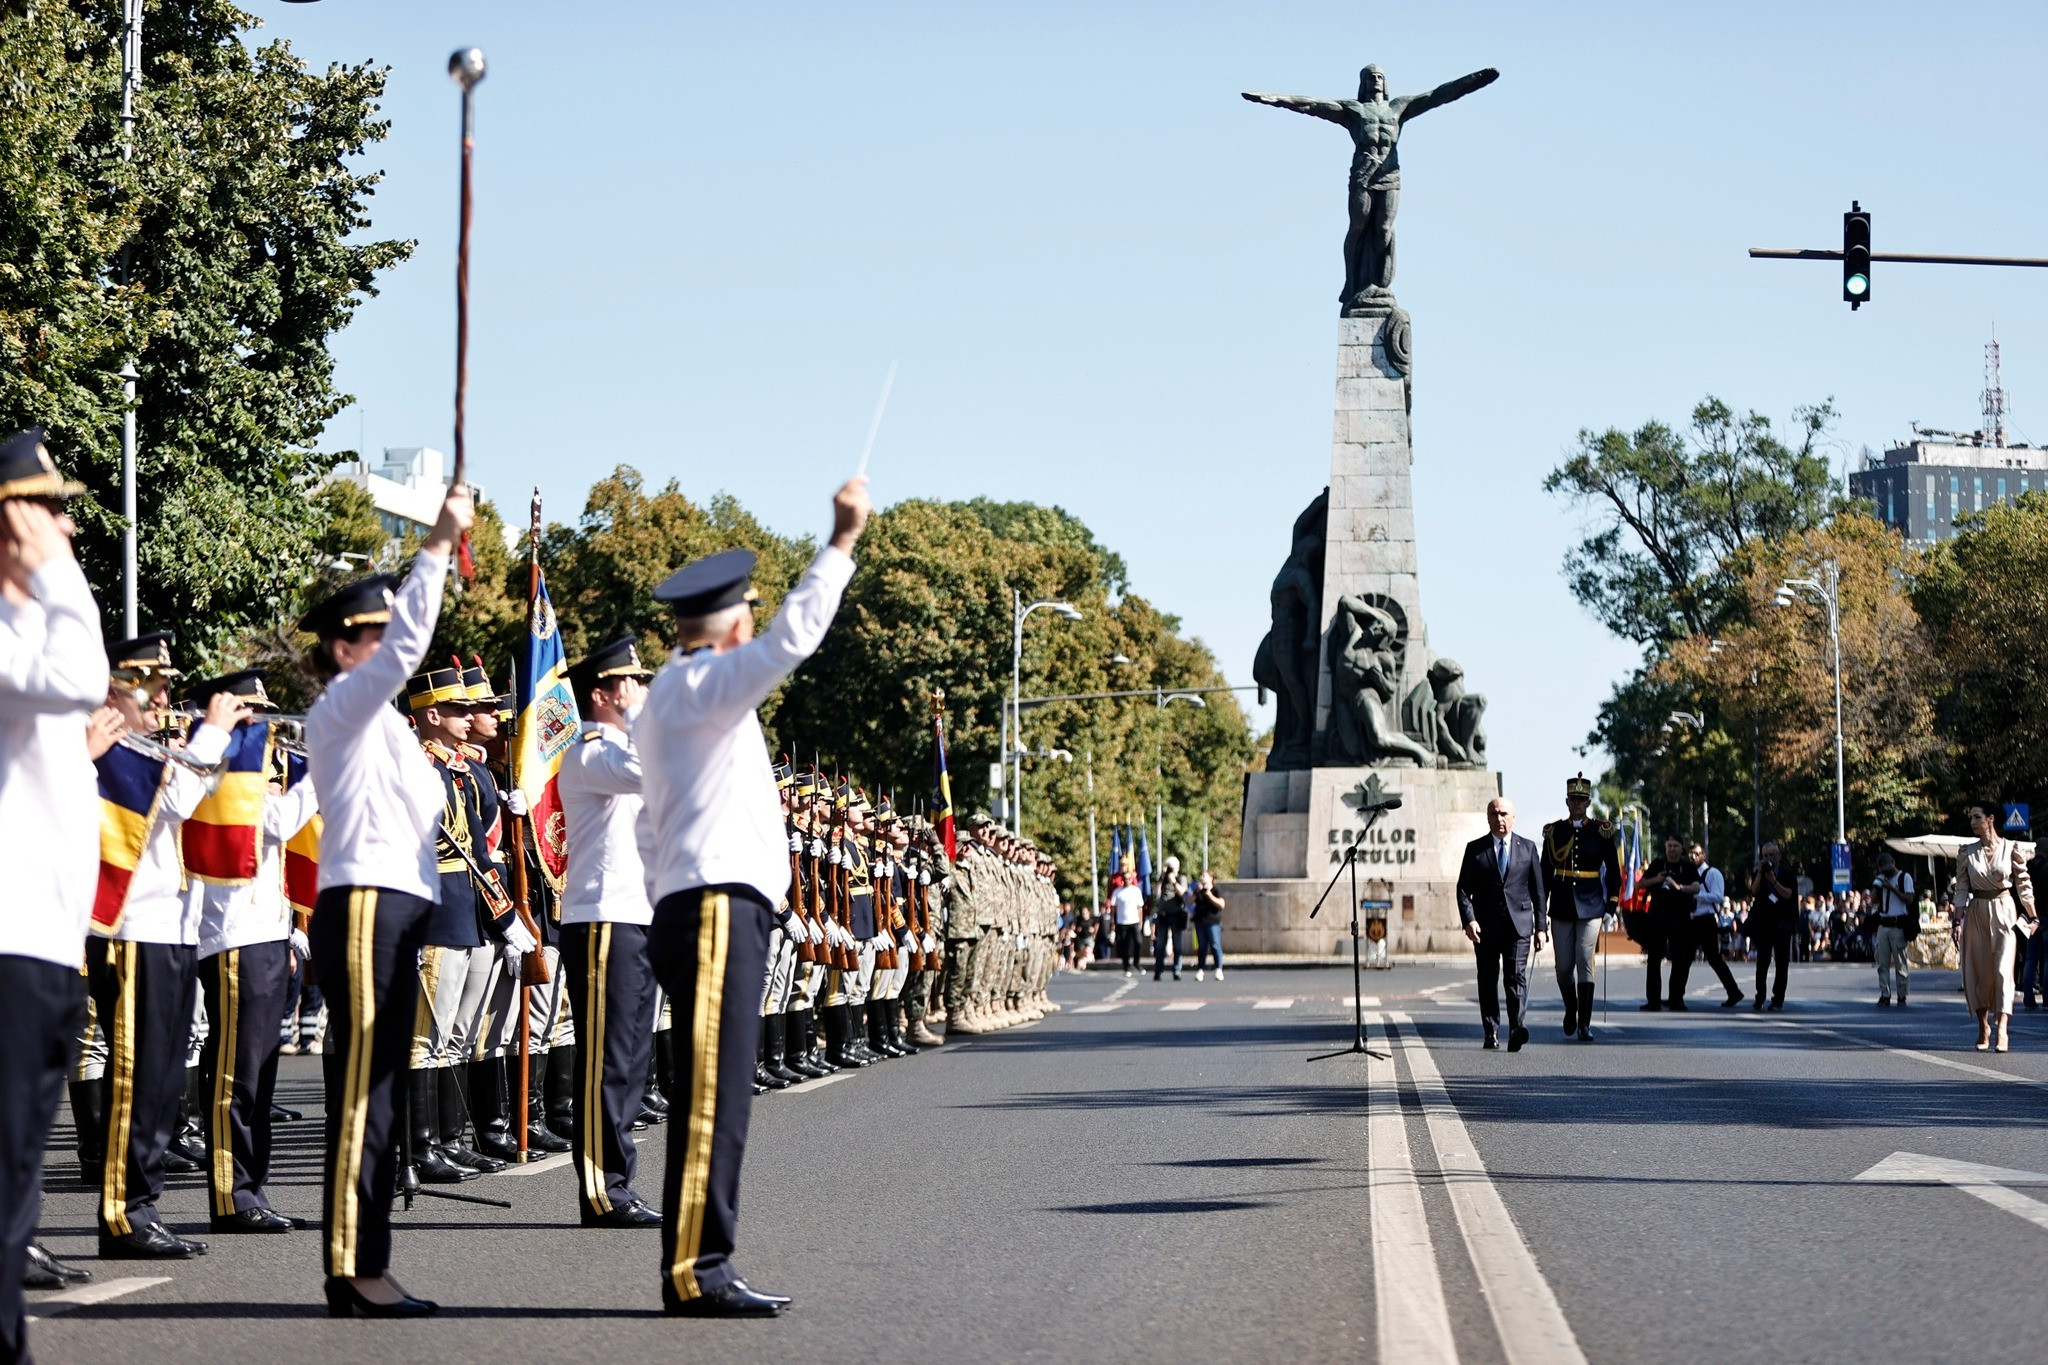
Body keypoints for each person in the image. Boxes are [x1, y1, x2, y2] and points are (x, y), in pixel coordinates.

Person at [637, 475, 868, 1318]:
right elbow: (791, 642)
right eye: (750, 620)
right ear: (734, 623)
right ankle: (699, 1267)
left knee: (720, 1088)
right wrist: (839, 543)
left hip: (701, 905)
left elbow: (652, 832)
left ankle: (703, 1259)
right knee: (713, 1094)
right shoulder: (699, 687)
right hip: (709, 911)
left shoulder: (683, 697)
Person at [301, 478, 472, 1318]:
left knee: (386, 1089)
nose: (391, 645)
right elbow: (409, 644)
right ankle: (350, 1265)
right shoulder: (345, 705)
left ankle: (368, 1257)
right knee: (364, 1089)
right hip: (365, 903)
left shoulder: (391, 725)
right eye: (373, 635)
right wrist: (436, 542)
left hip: (398, 903)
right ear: (343, 649)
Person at [0, 429, 108, 1362]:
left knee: (14, 1177)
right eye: (52, 509)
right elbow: (81, 675)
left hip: (41, 936)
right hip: (9, 937)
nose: (68, 527)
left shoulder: (28, 623)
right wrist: (62, 575)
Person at [89, 634, 247, 1259]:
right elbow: (176, 801)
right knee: (135, 1076)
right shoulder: (113, 750)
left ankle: (143, 1203)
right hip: (132, 929)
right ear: (114, 692)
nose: (162, 702)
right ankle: (123, 1212)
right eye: (149, 690)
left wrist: (199, 746)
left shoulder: (145, 746)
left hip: (171, 925)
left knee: (160, 1079)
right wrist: (209, 734)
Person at [187, 670, 317, 1234]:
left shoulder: (262, 772)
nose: (267, 722)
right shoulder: (220, 772)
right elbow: (279, 822)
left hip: (266, 931)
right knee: (235, 1078)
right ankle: (231, 1195)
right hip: (233, 937)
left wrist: (291, 929)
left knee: (262, 1076)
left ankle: (252, 1189)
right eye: (254, 712)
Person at [557, 636, 662, 1227]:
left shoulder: (621, 749)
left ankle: (617, 1183)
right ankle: (603, 1190)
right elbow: (651, 770)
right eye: (631, 682)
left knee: (631, 1056)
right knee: (607, 1059)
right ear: (602, 694)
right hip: (602, 920)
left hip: (636, 916)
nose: (641, 690)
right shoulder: (592, 752)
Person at [1455, 797, 1546, 1051]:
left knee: (1515, 977)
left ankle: (1516, 1029)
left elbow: (1538, 892)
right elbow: (1463, 889)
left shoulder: (1527, 848)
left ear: (1514, 817)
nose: (1499, 818)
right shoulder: (1475, 849)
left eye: (1504, 813)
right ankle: (1491, 1031)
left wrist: (1541, 928)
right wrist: (1469, 920)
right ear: (1488, 818)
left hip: (1519, 927)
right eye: (1494, 814)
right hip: (1485, 928)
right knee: (1487, 978)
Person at [1539, 773, 1620, 1041]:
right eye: (1573, 799)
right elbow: (1545, 874)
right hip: (1562, 905)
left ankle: (1584, 1023)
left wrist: (1611, 906)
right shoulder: (1554, 831)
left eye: (1582, 799)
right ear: (1566, 801)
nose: (1577, 803)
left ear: (1588, 802)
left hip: (1591, 904)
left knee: (1585, 961)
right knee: (1563, 966)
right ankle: (1571, 1007)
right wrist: (1540, 912)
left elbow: (1613, 873)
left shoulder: (1601, 831)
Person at [1952, 802, 2035, 1053]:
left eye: (1977, 817)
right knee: (1980, 973)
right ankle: (1983, 1025)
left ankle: (2002, 1029)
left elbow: (2023, 884)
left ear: (1990, 820)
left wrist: (2033, 916)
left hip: (2005, 909)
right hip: (1977, 911)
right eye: (1971, 818)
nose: (1972, 822)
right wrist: (1957, 921)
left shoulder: (2011, 848)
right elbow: (1961, 890)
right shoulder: (1967, 852)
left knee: (2002, 971)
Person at [1667, 841, 1743, 1009]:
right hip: (1691, 919)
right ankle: (1676, 996)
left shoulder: (1712, 873)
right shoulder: (1687, 872)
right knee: (1684, 959)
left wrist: (1696, 894)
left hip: (1706, 920)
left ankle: (1734, 991)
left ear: (1704, 855)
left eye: (1697, 854)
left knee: (1714, 959)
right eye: (1691, 854)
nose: (1693, 857)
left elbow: (1718, 896)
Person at [1637, 837, 1694, 1011]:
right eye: (1669, 845)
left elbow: (1697, 887)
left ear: (1681, 848)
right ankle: (1653, 1000)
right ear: (1665, 847)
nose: (1672, 849)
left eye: (1676, 846)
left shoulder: (1688, 867)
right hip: (1658, 919)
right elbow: (1640, 884)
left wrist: (1679, 887)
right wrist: (1657, 879)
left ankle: (1676, 999)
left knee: (1679, 961)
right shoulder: (1657, 864)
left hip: (1680, 920)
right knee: (1654, 960)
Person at [1748, 843, 1799, 1011]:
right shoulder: (1759, 872)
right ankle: (1759, 996)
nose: (1769, 858)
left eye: (1772, 855)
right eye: (1766, 855)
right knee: (1762, 961)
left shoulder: (1788, 873)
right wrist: (1762, 873)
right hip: (1764, 922)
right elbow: (1754, 892)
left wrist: (1773, 881)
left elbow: (1788, 894)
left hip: (1783, 923)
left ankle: (1778, 999)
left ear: (1778, 856)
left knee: (1782, 963)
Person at [1869, 850, 1917, 1007]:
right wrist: (1878, 884)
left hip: (1898, 924)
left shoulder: (1904, 877)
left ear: (1892, 863)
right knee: (1882, 963)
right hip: (1884, 923)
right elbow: (1873, 900)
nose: (1886, 873)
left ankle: (1902, 994)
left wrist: (1892, 888)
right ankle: (1885, 993)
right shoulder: (1882, 879)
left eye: (1887, 869)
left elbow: (1909, 899)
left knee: (1900, 963)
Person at [1152, 856, 1188, 982]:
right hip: (1163, 915)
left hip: (1176, 915)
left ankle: (1177, 970)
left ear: (1177, 868)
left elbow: (1182, 892)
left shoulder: (1181, 878)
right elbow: (1155, 893)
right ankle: (1158, 971)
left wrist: (1173, 881)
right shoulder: (1161, 879)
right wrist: (1161, 879)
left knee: (1177, 945)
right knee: (1160, 944)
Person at [1109, 862, 1145, 977]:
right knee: (1125, 945)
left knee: (1138, 942)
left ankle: (1136, 963)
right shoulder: (1117, 892)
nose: (1127, 880)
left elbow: (1140, 907)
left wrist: (1141, 921)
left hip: (1134, 921)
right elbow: (1113, 909)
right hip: (1122, 922)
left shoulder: (1136, 891)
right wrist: (1113, 922)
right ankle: (1126, 965)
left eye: (1129, 878)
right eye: (1125, 878)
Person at [1191, 871, 1226, 981]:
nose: (1202, 878)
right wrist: (1197, 892)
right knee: (1202, 946)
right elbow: (1189, 901)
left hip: (1213, 922)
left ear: (1211, 878)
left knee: (1215, 945)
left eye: (1204, 876)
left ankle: (1218, 969)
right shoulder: (1199, 891)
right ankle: (1201, 969)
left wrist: (1209, 895)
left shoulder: (1216, 890)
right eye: (1201, 876)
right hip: (1200, 921)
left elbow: (1222, 904)